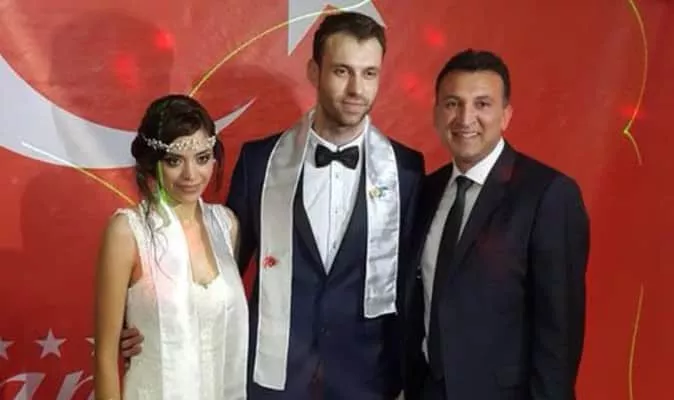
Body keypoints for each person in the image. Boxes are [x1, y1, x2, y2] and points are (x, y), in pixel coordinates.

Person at [227, 11, 423, 399]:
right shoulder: (259, 162)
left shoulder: (407, 170)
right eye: (341, 71)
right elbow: (222, 272)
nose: (356, 89)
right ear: (314, 72)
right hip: (274, 378)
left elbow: (413, 286)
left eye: (369, 73)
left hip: (367, 381)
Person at [405, 49, 590, 399]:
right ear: (436, 113)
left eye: (482, 104)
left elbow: (559, 335)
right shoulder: (427, 190)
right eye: (453, 104)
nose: (465, 118)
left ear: (505, 116)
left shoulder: (548, 195)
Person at [94, 94, 248, 399]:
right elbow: (105, 357)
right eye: (174, 161)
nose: (191, 175)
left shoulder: (226, 226)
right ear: (152, 163)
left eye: (202, 158)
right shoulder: (128, 231)